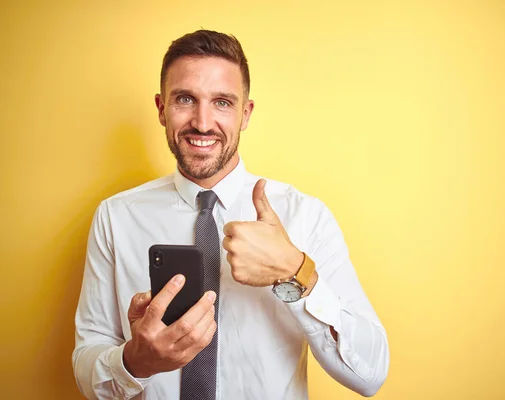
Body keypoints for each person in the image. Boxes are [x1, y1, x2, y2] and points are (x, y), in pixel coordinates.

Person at [72, 29, 389, 400]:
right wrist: (134, 362)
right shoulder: (115, 217)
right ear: (161, 108)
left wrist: (294, 272)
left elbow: (371, 374)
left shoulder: (304, 215)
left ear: (245, 113)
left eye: (222, 102)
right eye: (185, 99)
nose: (203, 123)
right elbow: (87, 360)